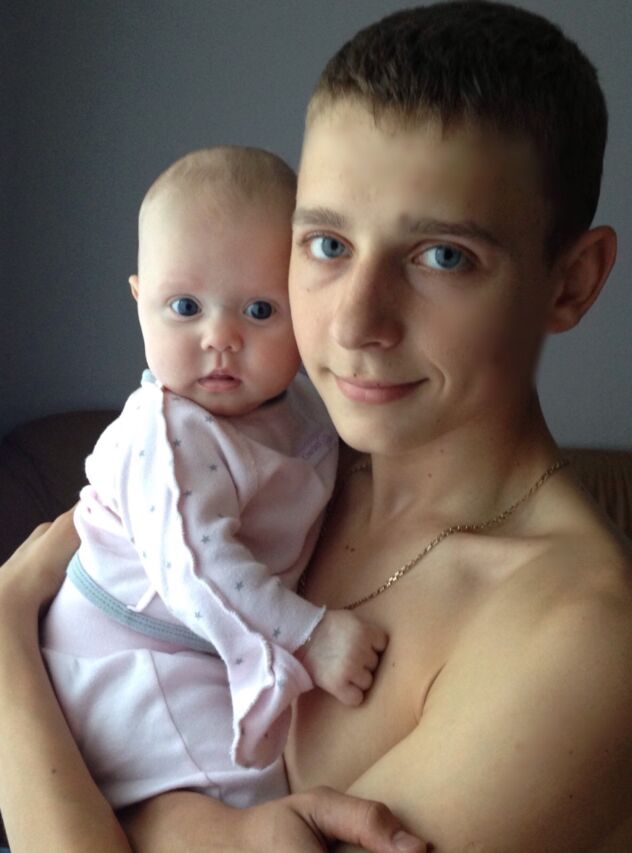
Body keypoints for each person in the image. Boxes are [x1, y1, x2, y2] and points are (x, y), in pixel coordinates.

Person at [0, 1, 632, 851]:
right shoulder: (282, 460)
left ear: (572, 281)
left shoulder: (580, 639)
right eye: (329, 244)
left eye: (444, 256)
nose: (355, 322)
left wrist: (5, 640)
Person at [38, 145, 388, 812]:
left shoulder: (297, 407)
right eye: (185, 306)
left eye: (260, 311)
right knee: (247, 792)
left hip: (195, 645)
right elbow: (200, 567)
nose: (220, 337)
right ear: (139, 301)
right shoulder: (168, 436)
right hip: (130, 657)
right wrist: (311, 635)